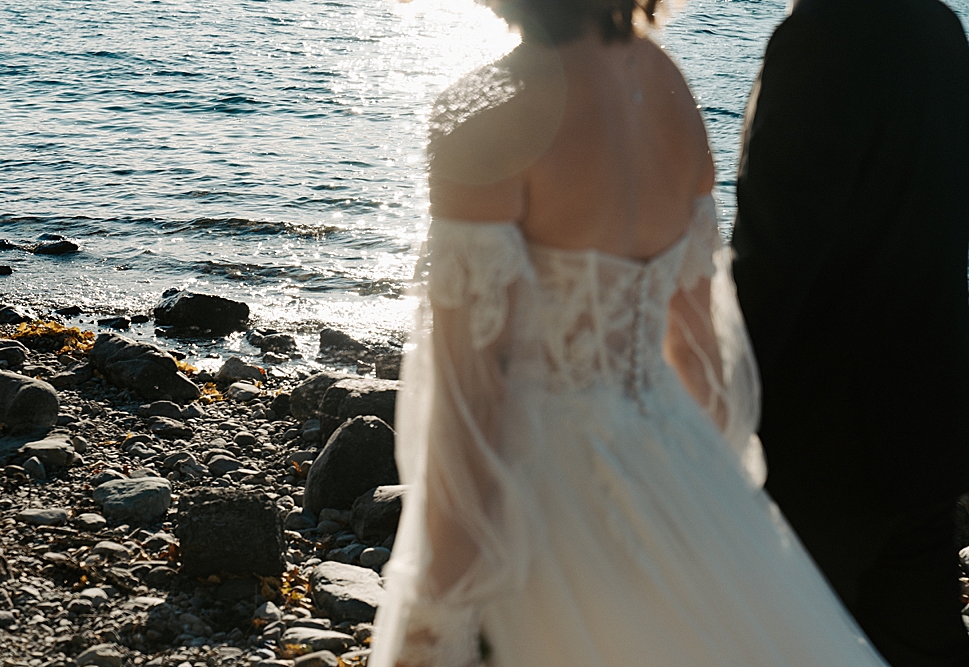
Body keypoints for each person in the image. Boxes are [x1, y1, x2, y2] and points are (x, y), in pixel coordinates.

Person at [370, 0, 890, 665]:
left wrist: (438, 604)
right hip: (677, 451)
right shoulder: (671, 87)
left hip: (552, 492)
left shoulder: (485, 111)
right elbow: (700, 355)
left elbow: (475, 397)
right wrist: (708, 505)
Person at [732, 0, 969, 664]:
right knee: (920, 644)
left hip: (822, 444)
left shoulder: (817, 39)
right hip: (928, 425)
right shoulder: (940, 29)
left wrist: (722, 409)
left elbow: (773, 259)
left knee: (792, 643)